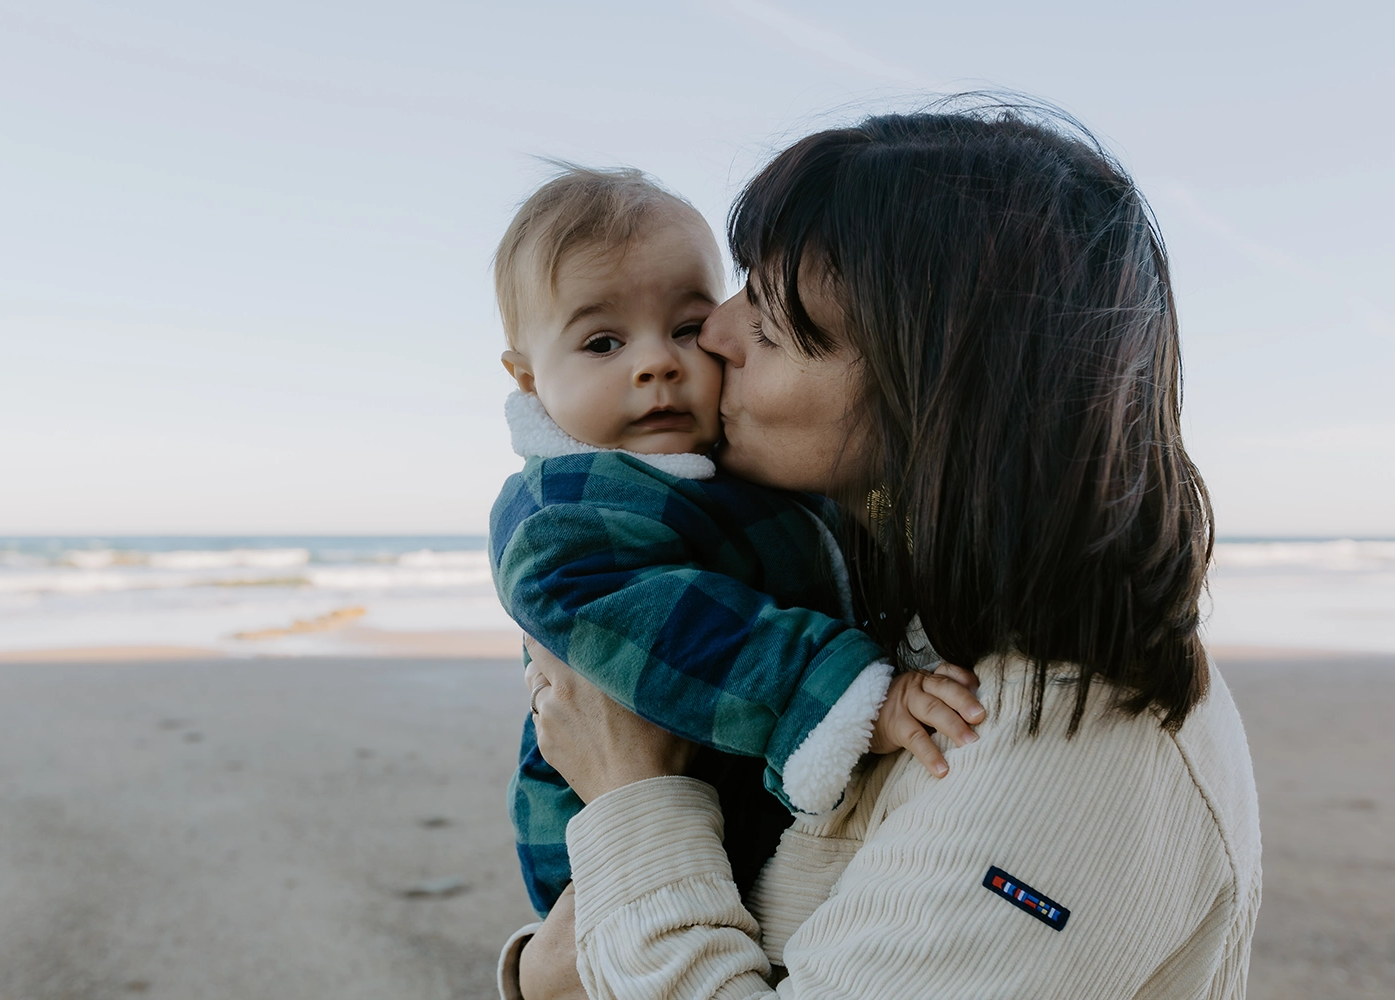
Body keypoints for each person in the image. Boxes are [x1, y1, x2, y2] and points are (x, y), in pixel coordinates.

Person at [507, 106, 1262, 1000]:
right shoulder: (892, 621)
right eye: (743, 288)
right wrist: (548, 967)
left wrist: (632, 796)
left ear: (929, 392)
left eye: (775, 325)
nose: (712, 338)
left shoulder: (1058, 745)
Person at [489, 166, 987, 919]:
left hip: (749, 821)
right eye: (603, 341)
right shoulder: (565, 514)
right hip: (620, 860)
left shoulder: (736, 467)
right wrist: (852, 694)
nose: (657, 361)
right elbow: (685, 628)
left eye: (687, 327)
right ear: (529, 380)